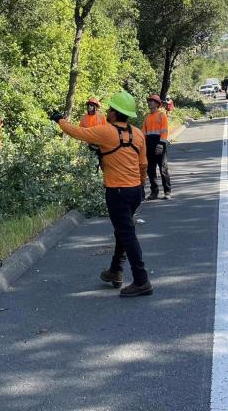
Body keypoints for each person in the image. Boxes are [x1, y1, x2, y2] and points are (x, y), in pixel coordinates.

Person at [50, 91, 152, 297]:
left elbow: (77, 132)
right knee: (123, 231)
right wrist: (141, 185)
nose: (108, 112)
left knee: (127, 234)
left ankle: (141, 281)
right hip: (134, 191)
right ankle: (115, 270)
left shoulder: (106, 131)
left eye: (110, 110)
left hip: (117, 191)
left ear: (114, 113)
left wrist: (59, 119)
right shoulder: (138, 133)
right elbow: (143, 164)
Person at [143, 94, 171, 200]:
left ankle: (167, 191)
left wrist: (161, 144)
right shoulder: (147, 117)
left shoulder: (161, 115)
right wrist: (143, 146)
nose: (149, 103)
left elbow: (164, 131)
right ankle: (154, 192)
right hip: (149, 143)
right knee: (151, 169)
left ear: (157, 104)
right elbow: (144, 132)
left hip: (159, 142)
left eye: (152, 101)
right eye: (149, 101)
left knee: (163, 168)